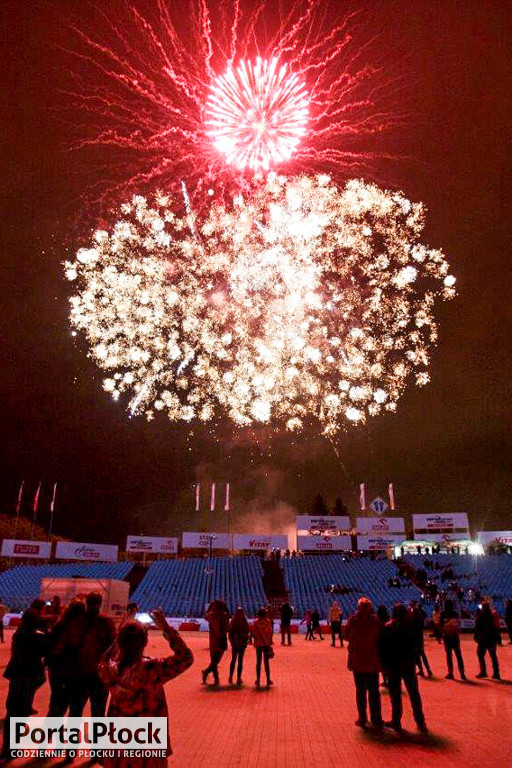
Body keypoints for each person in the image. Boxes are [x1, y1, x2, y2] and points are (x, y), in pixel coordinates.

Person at [98, 609, 193, 767]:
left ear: (120, 643)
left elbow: (104, 659)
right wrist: (167, 629)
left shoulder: (111, 670)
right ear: (145, 642)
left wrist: (120, 633)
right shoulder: (153, 669)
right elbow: (186, 658)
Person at [1, 609, 47, 760]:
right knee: (22, 713)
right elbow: (45, 655)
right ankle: (14, 746)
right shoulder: (39, 637)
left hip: (17, 676)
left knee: (12, 711)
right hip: (31, 677)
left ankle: (6, 747)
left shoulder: (18, 635)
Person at [380, 604, 428, 734]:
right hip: (408, 664)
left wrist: (383, 665)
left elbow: (383, 648)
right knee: (414, 694)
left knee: (395, 695)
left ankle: (396, 721)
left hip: (393, 665)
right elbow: (416, 645)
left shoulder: (388, 627)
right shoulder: (411, 626)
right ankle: (420, 721)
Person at [69, 591, 116, 716]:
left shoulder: (77, 621)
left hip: (79, 672)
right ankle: (96, 735)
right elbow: (114, 647)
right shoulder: (107, 622)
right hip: (98, 673)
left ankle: (73, 735)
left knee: (75, 710)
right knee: (98, 711)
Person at [345, 597, 383, 729]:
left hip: (358, 661)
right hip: (372, 661)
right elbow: (380, 638)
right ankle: (376, 719)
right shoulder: (375, 621)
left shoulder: (353, 620)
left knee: (360, 692)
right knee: (374, 691)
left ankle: (362, 718)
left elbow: (345, 636)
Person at [46, 600, 87, 716]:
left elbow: (50, 645)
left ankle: (50, 729)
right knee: (68, 704)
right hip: (69, 669)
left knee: (56, 702)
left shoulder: (60, 624)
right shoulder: (77, 626)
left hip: (56, 668)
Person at [202, 599, 230, 685]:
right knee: (216, 660)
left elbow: (205, 616)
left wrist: (208, 610)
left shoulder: (212, 615)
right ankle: (214, 677)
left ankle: (208, 673)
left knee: (214, 660)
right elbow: (227, 628)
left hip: (214, 640)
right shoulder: (224, 616)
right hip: (221, 639)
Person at [440, 599, 466, 681]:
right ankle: (462, 674)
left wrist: (443, 633)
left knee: (449, 656)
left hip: (447, 637)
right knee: (458, 655)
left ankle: (451, 673)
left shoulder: (443, 614)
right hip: (454, 637)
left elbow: (441, 625)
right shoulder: (455, 614)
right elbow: (458, 625)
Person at [474, 601, 500, 679]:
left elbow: (477, 627)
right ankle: (496, 673)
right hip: (491, 638)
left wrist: (476, 636)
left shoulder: (481, 615)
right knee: (493, 655)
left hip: (483, 638)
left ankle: (483, 671)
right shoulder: (492, 615)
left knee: (480, 654)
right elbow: (496, 627)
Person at [252, 608, 274, 688]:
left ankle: (258, 680)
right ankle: (268, 679)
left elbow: (253, 633)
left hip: (258, 644)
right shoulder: (268, 622)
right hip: (266, 644)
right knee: (266, 663)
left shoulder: (255, 622)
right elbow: (270, 633)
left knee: (258, 662)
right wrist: (269, 642)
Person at [228, 607, 250, 685]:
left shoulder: (233, 621)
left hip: (235, 644)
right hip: (242, 644)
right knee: (240, 661)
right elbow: (247, 631)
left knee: (233, 660)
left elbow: (229, 633)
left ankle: (230, 677)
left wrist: (232, 642)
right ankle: (238, 678)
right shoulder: (244, 621)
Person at [410, 601, 432, 677]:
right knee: (422, 655)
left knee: (417, 656)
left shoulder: (413, 620)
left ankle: (422, 670)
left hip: (415, 639)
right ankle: (428, 670)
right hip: (420, 638)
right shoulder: (420, 618)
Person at [376, 606, 390, 687]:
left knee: (382, 663)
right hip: (388, 643)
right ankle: (389, 679)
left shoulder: (377, 621)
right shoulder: (388, 620)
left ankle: (385, 680)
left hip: (381, 644)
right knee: (388, 663)